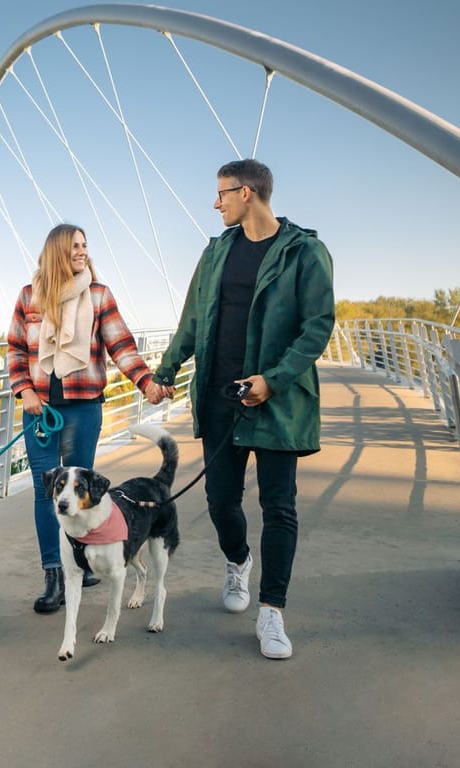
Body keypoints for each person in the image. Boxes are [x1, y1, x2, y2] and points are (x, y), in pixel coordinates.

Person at [151, 159, 335, 659]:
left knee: (279, 507)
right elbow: (192, 319)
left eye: (222, 194)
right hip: (219, 397)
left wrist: (271, 382)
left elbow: (317, 326)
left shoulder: (305, 252)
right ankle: (238, 560)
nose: (216, 203)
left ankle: (272, 612)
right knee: (219, 500)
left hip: (278, 402)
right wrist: (163, 373)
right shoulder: (215, 253)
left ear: (247, 193)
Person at [7, 223, 165, 614]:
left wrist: (146, 383)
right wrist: (24, 391)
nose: (82, 251)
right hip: (39, 410)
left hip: (84, 406)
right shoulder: (29, 296)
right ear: (58, 251)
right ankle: (54, 574)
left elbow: (121, 344)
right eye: (74, 246)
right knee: (49, 494)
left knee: (80, 494)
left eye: (85, 245)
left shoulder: (98, 294)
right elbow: (13, 348)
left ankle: (81, 559)